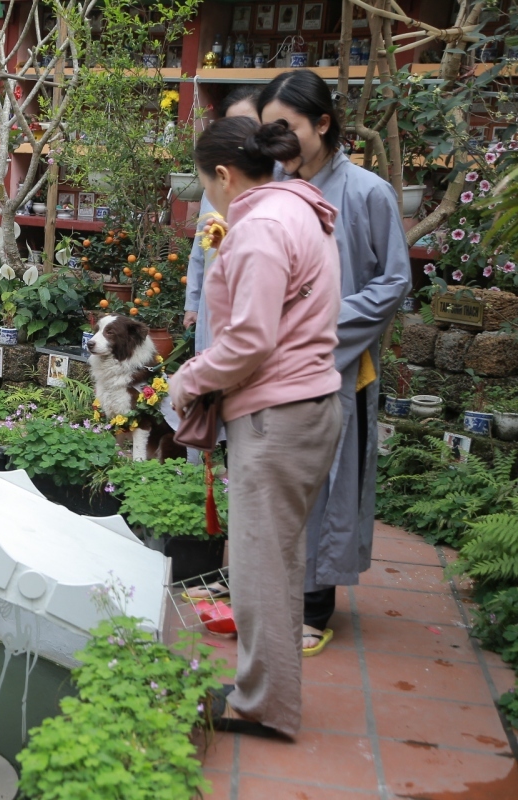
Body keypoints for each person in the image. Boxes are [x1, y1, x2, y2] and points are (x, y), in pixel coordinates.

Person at [170, 116, 343, 739]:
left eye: (204, 182)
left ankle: (263, 706)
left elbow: (248, 338)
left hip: (278, 416)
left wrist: (188, 380)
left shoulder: (263, 224)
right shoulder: (300, 208)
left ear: (223, 174)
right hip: (304, 406)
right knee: (274, 562)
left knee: (258, 569)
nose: (207, 196)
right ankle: (266, 693)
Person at [259, 70, 412, 656]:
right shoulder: (272, 187)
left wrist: (317, 323)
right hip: (273, 365)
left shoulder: (368, 192)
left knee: (327, 482)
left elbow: (393, 282)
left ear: (322, 124)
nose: (278, 139)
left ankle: (315, 605)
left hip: (337, 367)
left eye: (288, 127)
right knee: (277, 478)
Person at [183, 85, 262, 349]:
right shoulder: (216, 186)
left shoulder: (275, 207)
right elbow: (199, 250)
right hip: (213, 303)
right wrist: (193, 303)